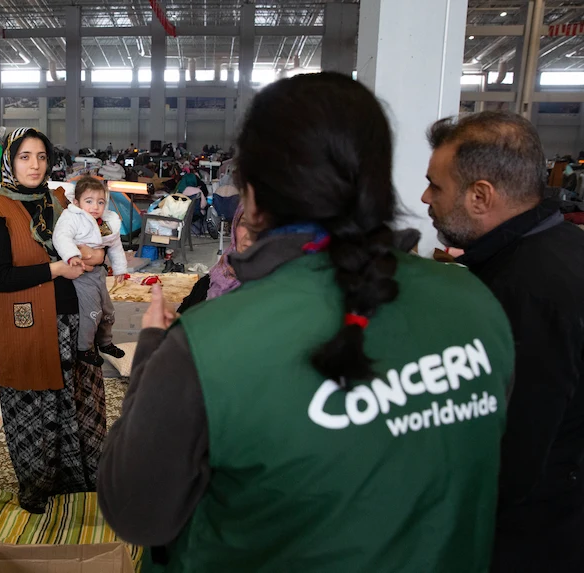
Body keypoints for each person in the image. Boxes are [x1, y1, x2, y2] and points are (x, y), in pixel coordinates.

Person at [98, 72, 516, 573]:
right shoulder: (475, 303)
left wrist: (150, 354)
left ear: (251, 195)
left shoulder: (209, 346)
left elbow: (138, 515)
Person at [422, 111, 584, 572]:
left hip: (525, 540)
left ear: (480, 196)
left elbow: (511, 453)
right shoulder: (558, 245)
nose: (425, 197)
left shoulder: (526, 292)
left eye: (436, 186)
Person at [0, 127, 107, 514]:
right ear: (10, 162)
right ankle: (38, 486)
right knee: (37, 407)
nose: (35, 165)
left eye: (41, 157)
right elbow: (1, 278)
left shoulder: (61, 201)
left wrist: (95, 256)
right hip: (29, 325)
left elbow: (93, 243)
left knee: (80, 402)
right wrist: (57, 270)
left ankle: (82, 481)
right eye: (24, 157)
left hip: (75, 319)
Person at [53, 176, 127, 366]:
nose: (95, 206)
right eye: (89, 201)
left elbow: (116, 245)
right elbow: (61, 237)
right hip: (81, 274)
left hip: (99, 273)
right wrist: (72, 255)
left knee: (107, 311)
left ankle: (105, 342)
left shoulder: (106, 222)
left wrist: (120, 269)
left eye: (100, 202)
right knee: (92, 312)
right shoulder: (72, 218)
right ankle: (84, 348)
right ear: (77, 203)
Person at [177, 204, 254, 314]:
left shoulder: (276, 296)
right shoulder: (211, 280)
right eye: (245, 223)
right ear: (235, 227)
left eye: (262, 227)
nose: (249, 236)